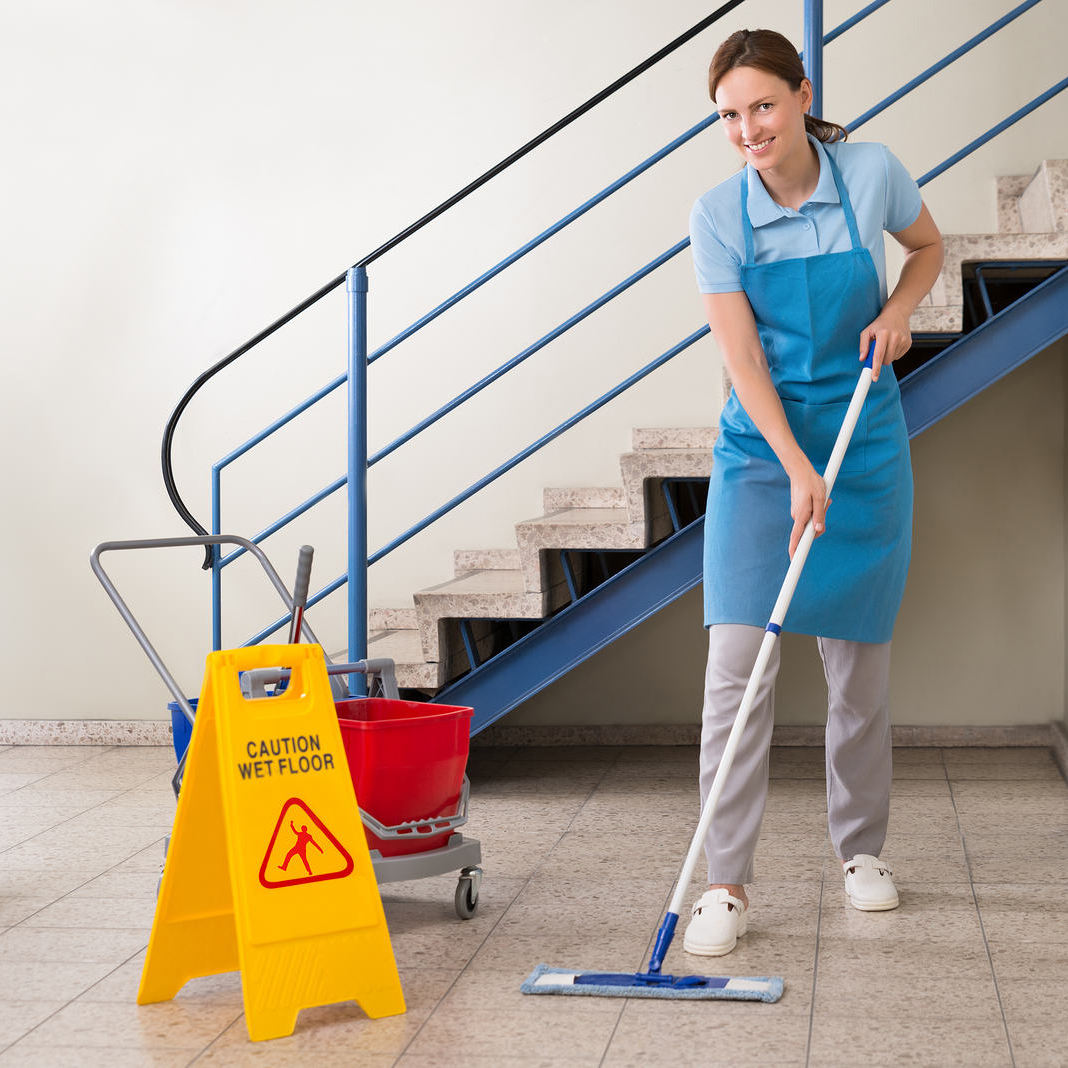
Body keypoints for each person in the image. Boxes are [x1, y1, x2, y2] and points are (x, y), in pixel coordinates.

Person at [683, 28, 944, 957]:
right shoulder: (717, 215)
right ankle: (725, 882)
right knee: (737, 672)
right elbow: (743, 358)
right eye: (728, 115)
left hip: (864, 440)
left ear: (800, 96)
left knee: (856, 668)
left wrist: (899, 311)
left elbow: (925, 248)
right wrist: (796, 471)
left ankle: (861, 852)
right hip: (762, 454)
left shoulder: (869, 171)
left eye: (761, 105)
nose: (747, 128)